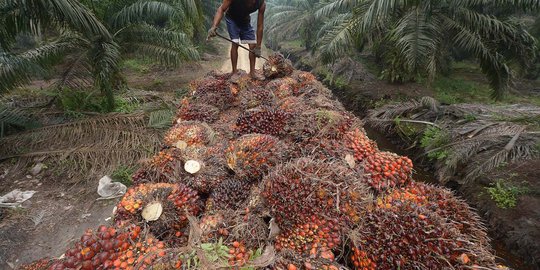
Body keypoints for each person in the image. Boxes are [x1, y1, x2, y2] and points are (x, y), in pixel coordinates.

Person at [207, 0, 266, 78]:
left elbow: (260, 26)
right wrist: (214, 27)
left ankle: (252, 73)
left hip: (245, 21)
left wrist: (258, 47)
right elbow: (221, 9)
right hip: (232, 19)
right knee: (235, 43)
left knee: (253, 45)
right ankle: (234, 72)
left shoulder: (261, 4)